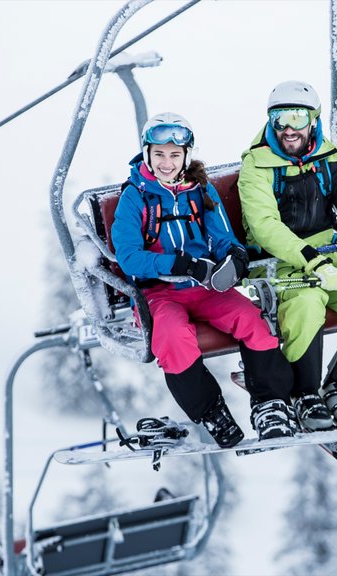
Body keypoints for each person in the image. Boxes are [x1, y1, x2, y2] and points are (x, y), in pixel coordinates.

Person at [111, 112, 295, 448]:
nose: (166, 163)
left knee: (251, 320)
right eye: (159, 155)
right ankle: (212, 412)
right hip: (160, 294)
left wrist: (235, 258)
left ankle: (270, 404)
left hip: (203, 288)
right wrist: (179, 264)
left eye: (174, 155)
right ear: (148, 154)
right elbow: (129, 257)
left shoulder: (200, 190)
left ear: (186, 156)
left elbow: (223, 237)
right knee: (171, 337)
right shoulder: (135, 197)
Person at [238, 81, 337, 431]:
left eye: (297, 118)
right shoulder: (257, 166)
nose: (288, 129)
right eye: (279, 119)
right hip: (275, 264)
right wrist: (311, 258)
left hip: (329, 256)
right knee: (308, 301)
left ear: (313, 119)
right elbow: (265, 225)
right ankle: (304, 391)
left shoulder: (332, 159)